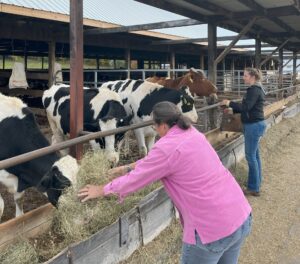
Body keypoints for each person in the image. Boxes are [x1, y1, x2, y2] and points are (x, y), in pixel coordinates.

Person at [78, 101, 252, 264]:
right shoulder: (192, 132)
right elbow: (160, 161)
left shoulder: (166, 147)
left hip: (212, 228)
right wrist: (126, 168)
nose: (154, 129)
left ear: (162, 125)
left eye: (154, 125)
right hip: (239, 214)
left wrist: (102, 190)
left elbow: (137, 179)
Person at [221, 67, 267, 197]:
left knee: (250, 157)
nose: (243, 77)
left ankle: (253, 188)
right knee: (255, 156)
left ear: (252, 76)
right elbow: (249, 109)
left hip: (253, 126)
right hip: (255, 124)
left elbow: (246, 107)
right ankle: (256, 183)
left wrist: (229, 102)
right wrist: (233, 111)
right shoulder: (258, 88)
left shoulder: (254, 90)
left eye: (245, 75)